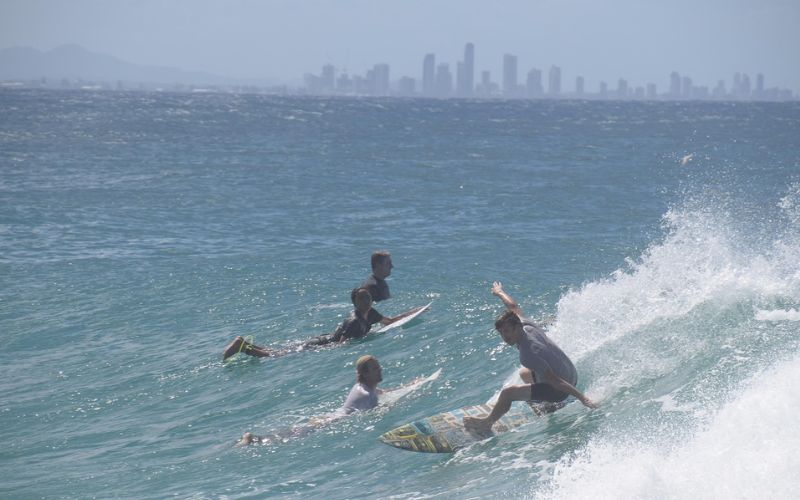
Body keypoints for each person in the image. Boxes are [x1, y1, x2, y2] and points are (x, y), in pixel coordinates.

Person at [464, 282, 597, 434]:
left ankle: (486, 423)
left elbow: (555, 381)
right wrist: (500, 292)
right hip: (572, 374)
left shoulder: (528, 353)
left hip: (560, 389)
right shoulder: (527, 324)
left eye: (507, 331)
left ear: (517, 327)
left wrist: (583, 398)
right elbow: (513, 306)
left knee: (508, 393)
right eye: (501, 333)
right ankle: (548, 406)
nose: (504, 337)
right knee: (524, 373)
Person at [237, 355, 413, 446]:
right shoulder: (368, 394)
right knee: (289, 438)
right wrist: (398, 404)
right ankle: (253, 439)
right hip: (330, 422)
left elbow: (382, 391)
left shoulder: (363, 387)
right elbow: (377, 411)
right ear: (365, 373)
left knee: (291, 433)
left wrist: (410, 385)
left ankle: (254, 439)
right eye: (375, 368)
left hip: (328, 417)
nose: (380, 369)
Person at [222, 288, 421, 361]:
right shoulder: (354, 321)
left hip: (324, 338)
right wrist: (329, 354)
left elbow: (392, 321)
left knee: (276, 351)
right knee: (274, 356)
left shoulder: (372, 314)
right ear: (355, 303)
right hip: (321, 343)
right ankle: (243, 347)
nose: (366, 300)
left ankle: (243, 344)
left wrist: (415, 311)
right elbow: (341, 343)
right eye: (362, 299)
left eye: (368, 297)